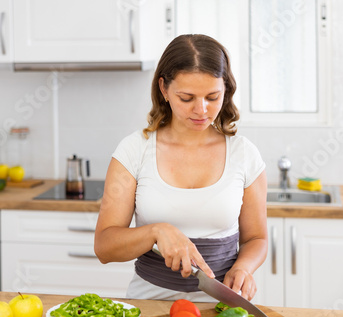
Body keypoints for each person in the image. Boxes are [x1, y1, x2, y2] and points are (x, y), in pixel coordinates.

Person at [94, 34, 268, 302]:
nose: (201, 110)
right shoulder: (134, 150)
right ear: (164, 88)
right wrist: (155, 231)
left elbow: (257, 238)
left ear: (227, 90)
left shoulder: (244, 154)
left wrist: (244, 267)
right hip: (148, 306)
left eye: (212, 96)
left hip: (223, 309)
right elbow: (105, 247)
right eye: (186, 97)